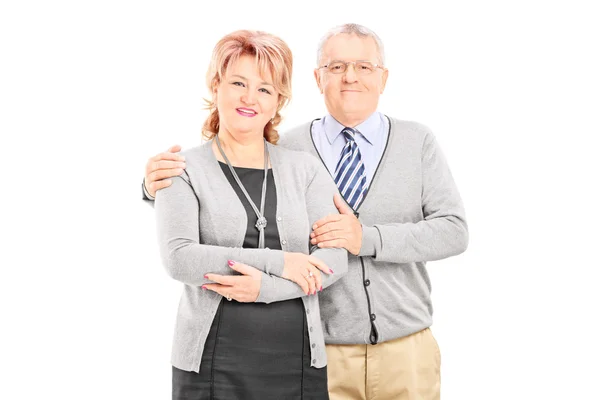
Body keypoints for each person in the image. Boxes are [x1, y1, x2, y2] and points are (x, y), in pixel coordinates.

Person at [145, 24, 468, 400]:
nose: (350, 77)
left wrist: (365, 239)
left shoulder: (410, 143)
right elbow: (192, 226)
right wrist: (153, 187)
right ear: (317, 78)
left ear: (383, 78)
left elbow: (452, 231)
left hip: (394, 346)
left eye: (364, 67)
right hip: (318, 345)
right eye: (336, 67)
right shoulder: (293, 146)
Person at [152, 29, 348, 399]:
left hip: (299, 361)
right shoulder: (181, 168)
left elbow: (334, 259)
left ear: (278, 101)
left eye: (264, 89)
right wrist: (284, 261)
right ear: (216, 85)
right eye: (238, 82)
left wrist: (268, 287)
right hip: (212, 363)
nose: (249, 98)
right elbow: (180, 258)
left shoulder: (305, 169)